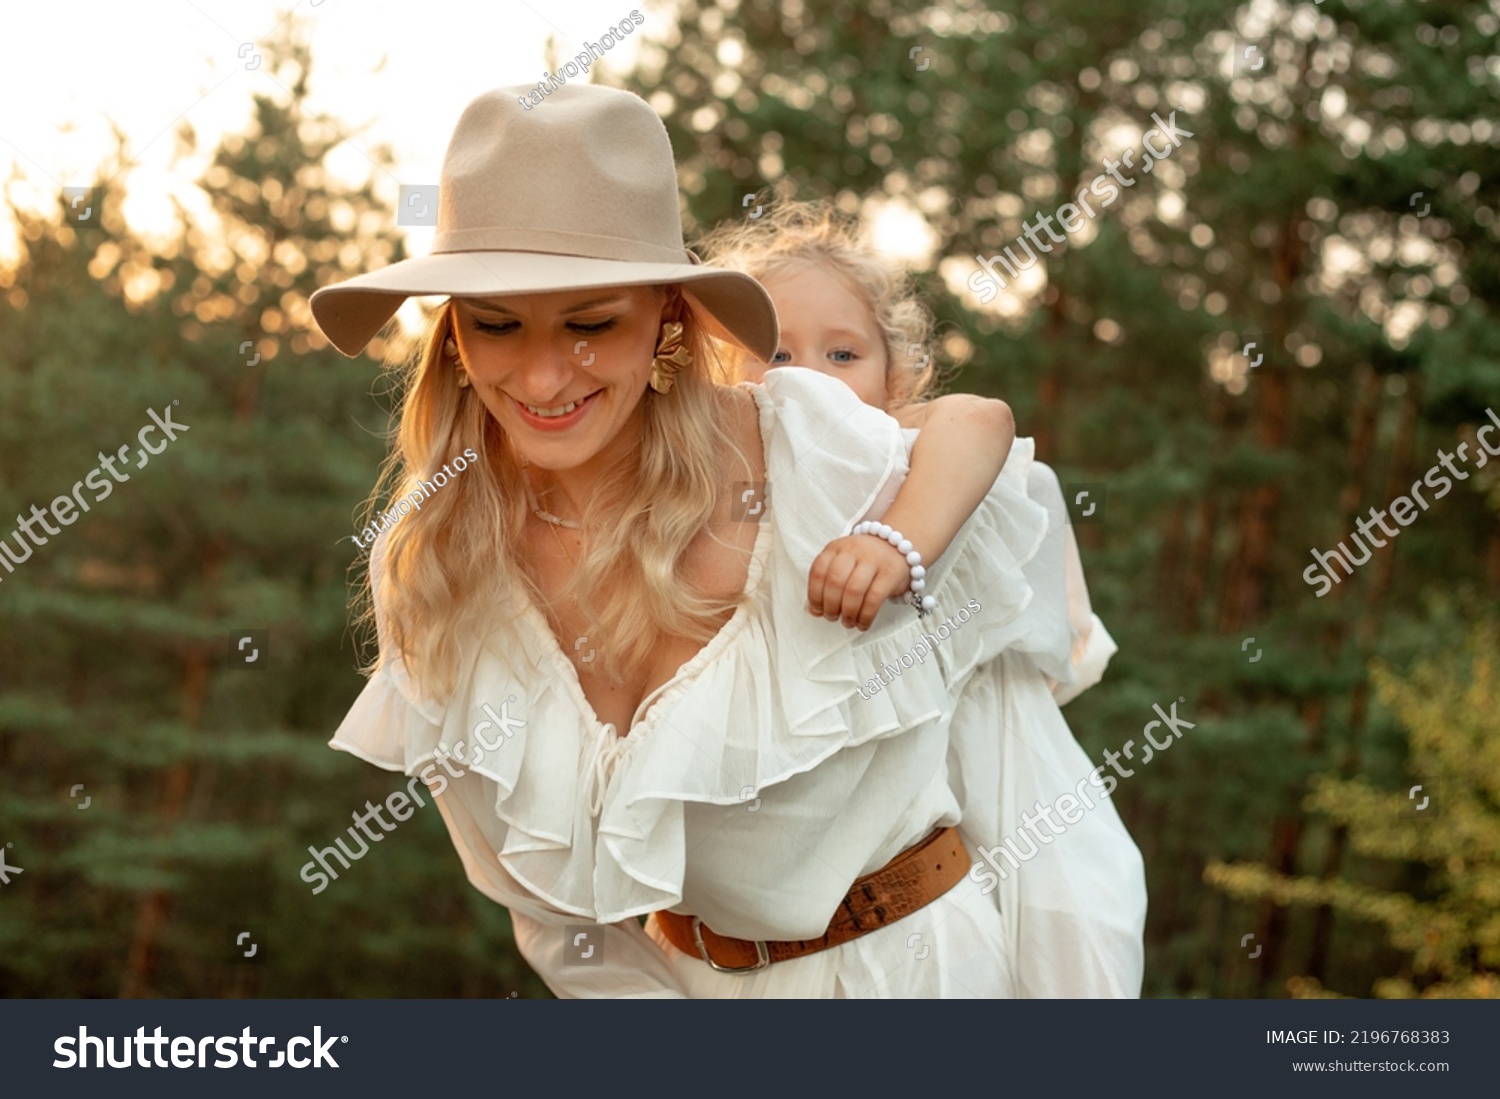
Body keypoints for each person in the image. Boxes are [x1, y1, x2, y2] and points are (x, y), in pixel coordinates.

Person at [311, 82, 1124, 998]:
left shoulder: (826, 467)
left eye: (590, 323)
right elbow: (556, 919)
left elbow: (1044, 813)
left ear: (668, 316)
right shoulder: (434, 562)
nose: (542, 375)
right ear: (452, 330)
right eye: (496, 324)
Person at [700, 201, 1148, 996]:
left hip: (908, 961)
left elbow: (983, 419)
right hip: (707, 968)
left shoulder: (920, 491)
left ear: (891, 386)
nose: (805, 379)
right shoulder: (686, 514)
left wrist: (898, 540)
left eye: (843, 352)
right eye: (771, 352)